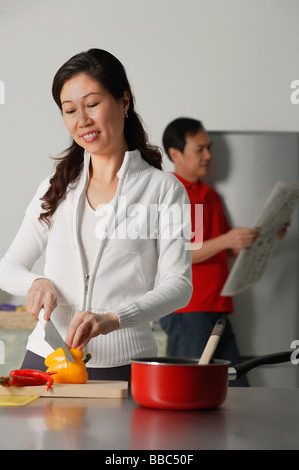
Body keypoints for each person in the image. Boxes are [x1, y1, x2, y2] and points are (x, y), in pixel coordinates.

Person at [0, 50, 193, 384]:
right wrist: (37, 282)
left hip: (127, 365)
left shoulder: (165, 189)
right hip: (47, 361)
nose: (82, 120)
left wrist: (115, 318)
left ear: (123, 101)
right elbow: (8, 267)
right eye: (70, 110)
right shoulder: (54, 187)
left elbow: (180, 285)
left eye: (92, 104)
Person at [159, 117, 288, 386]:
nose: (208, 156)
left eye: (209, 147)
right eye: (200, 149)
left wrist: (266, 238)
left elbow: (227, 249)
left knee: (237, 389)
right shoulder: (168, 192)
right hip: (188, 311)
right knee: (189, 390)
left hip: (218, 308)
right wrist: (227, 239)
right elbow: (174, 254)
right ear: (175, 154)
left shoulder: (210, 195)